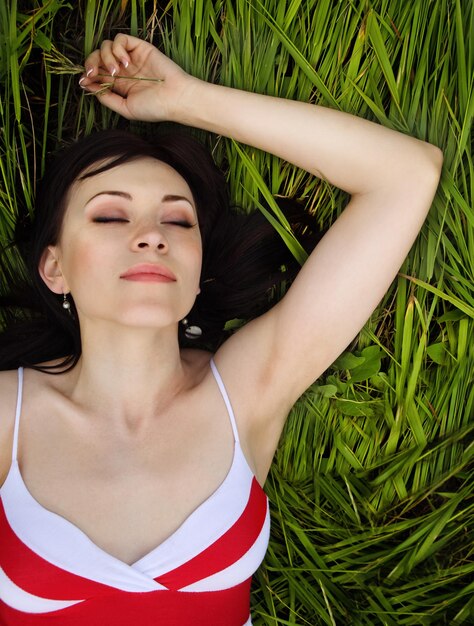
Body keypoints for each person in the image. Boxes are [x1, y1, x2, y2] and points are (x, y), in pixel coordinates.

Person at [0, 34, 442, 626]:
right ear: (54, 267)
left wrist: (184, 98)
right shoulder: (8, 414)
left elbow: (406, 173)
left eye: (176, 219)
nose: (152, 234)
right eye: (110, 214)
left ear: (198, 265)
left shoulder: (247, 390)